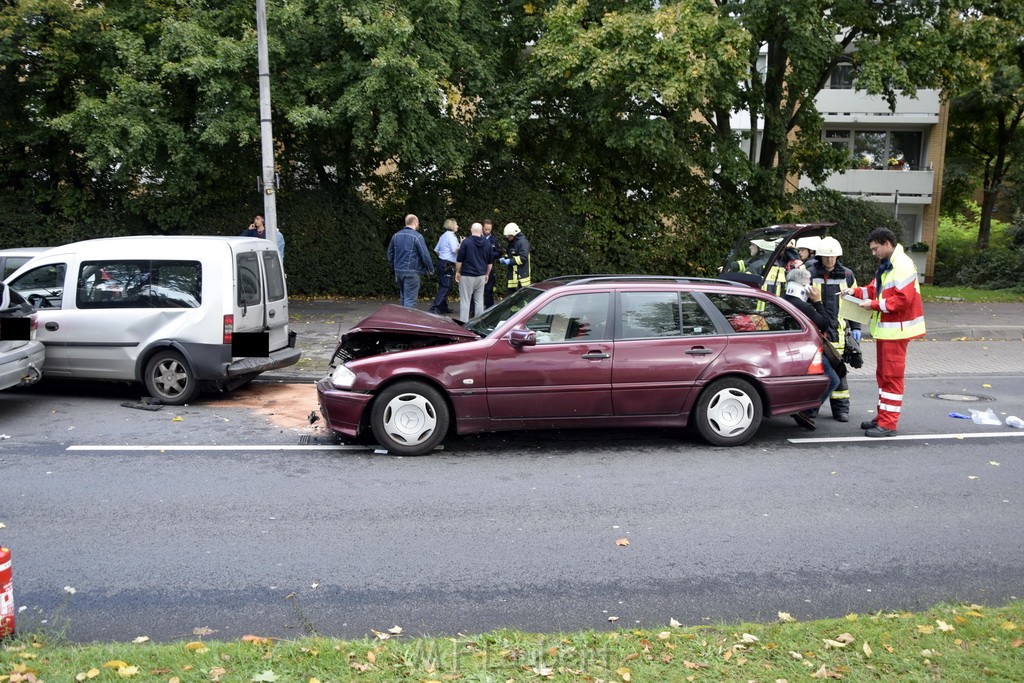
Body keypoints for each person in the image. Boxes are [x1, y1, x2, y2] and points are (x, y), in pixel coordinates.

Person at [842, 227, 925, 437]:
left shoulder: (902, 264)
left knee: (891, 377)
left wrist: (874, 305)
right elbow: (874, 289)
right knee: (884, 377)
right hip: (889, 332)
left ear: (887, 243)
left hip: (896, 332)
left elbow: (902, 300)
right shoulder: (889, 264)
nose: (873, 253)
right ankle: (882, 417)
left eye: (875, 249)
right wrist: (854, 291)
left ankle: (888, 424)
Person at [806, 236, 861, 422]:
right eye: (826, 257)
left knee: (840, 372)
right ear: (819, 256)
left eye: (833, 257)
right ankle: (810, 409)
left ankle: (841, 410)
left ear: (838, 256)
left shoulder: (847, 275)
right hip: (816, 332)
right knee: (817, 373)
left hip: (838, 332)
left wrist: (856, 327)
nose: (830, 260)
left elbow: (855, 303)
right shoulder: (809, 273)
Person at [783, 267, 841, 430]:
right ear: (804, 287)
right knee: (833, 379)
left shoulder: (781, 300)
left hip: (786, 351)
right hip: (807, 351)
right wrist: (817, 301)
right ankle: (807, 411)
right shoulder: (804, 307)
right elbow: (824, 324)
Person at [387, 214, 434, 308]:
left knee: (403, 297)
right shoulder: (417, 236)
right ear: (415, 222)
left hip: (399, 271)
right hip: (412, 272)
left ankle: (402, 319)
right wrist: (430, 269)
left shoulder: (396, 236)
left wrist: (394, 267)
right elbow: (425, 255)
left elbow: (390, 254)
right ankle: (407, 320)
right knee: (410, 300)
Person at [454, 222, 492, 322]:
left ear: (471, 230)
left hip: (467, 276)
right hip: (481, 276)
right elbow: (490, 262)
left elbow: (459, 260)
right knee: (479, 301)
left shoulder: (466, 242)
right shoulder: (487, 243)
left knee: (465, 301)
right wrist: (487, 274)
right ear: (482, 231)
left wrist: (457, 272)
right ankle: (478, 325)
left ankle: (463, 324)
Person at [429, 218, 460, 315]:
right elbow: (455, 250)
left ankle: (443, 307)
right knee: (446, 286)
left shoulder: (443, 236)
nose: (457, 226)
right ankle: (435, 307)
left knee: (443, 285)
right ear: (452, 226)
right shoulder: (451, 236)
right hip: (447, 264)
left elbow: (437, 250)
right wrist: (462, 244)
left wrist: (443, 256)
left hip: (442, 262)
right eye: (456, 224)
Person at [500, 222, 531, 291]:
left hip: (522, 279)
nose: (507, 238)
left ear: (514, 234)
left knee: (522, 300)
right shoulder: (512, 243)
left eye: (509, 236)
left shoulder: (523, 242)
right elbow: (511, 255)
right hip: (513, 279)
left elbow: (523, 258)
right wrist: (505, 258)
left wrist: (510, 261)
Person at [481, 219, 502, 309]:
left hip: (489, 267)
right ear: (483, 228)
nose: (488, 231)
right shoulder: (477, 237)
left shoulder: (494, 239)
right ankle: (472, 310)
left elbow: (499, 252)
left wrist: (490, 255)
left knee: (488, 289)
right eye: (486, 229)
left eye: (489, 229)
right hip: (477, 266)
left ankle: (489, 308)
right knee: (475, 290)